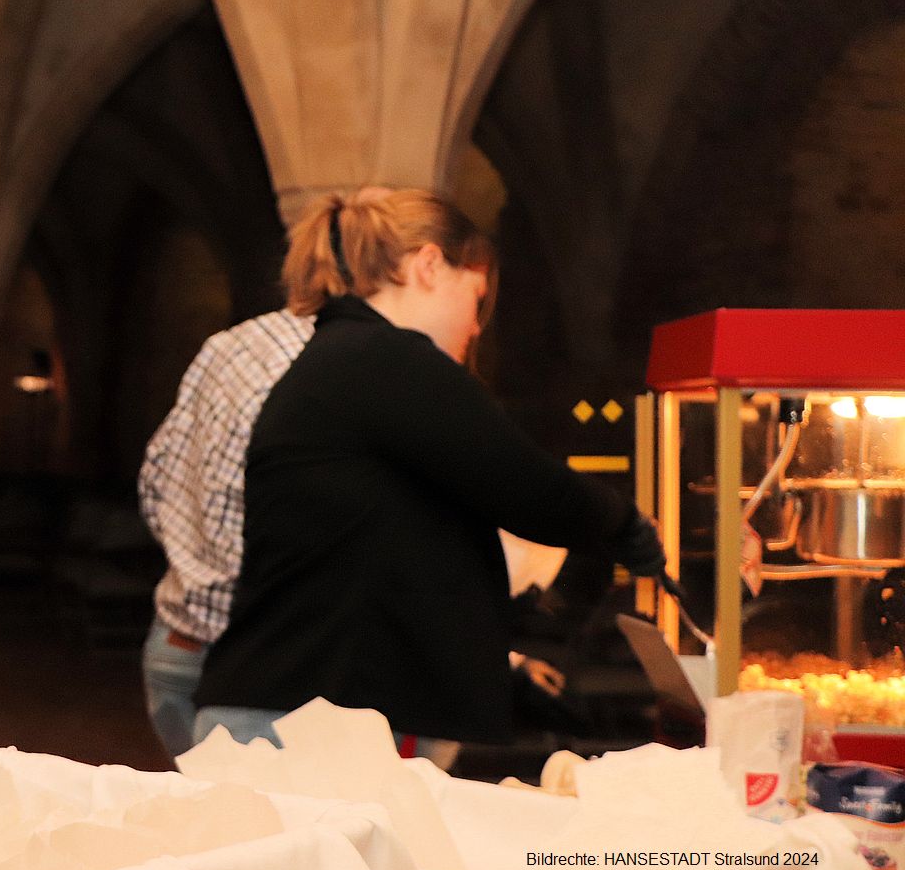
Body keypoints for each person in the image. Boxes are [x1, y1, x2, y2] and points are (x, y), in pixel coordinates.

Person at [191, 187, 665, 751]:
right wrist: (629, 528)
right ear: (430, 266)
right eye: (477, 296)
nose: (477, 326)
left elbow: (399, 551)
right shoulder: (386, 361)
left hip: (297, 710)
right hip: (302, 722)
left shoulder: (351, 359)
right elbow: (526, 487)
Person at [138, 309, 312, 759]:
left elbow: (157, 476)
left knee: (211, 812)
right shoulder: (327, 364)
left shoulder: (229, 344)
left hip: (176, 638)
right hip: (257, 655)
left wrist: (194, 566)